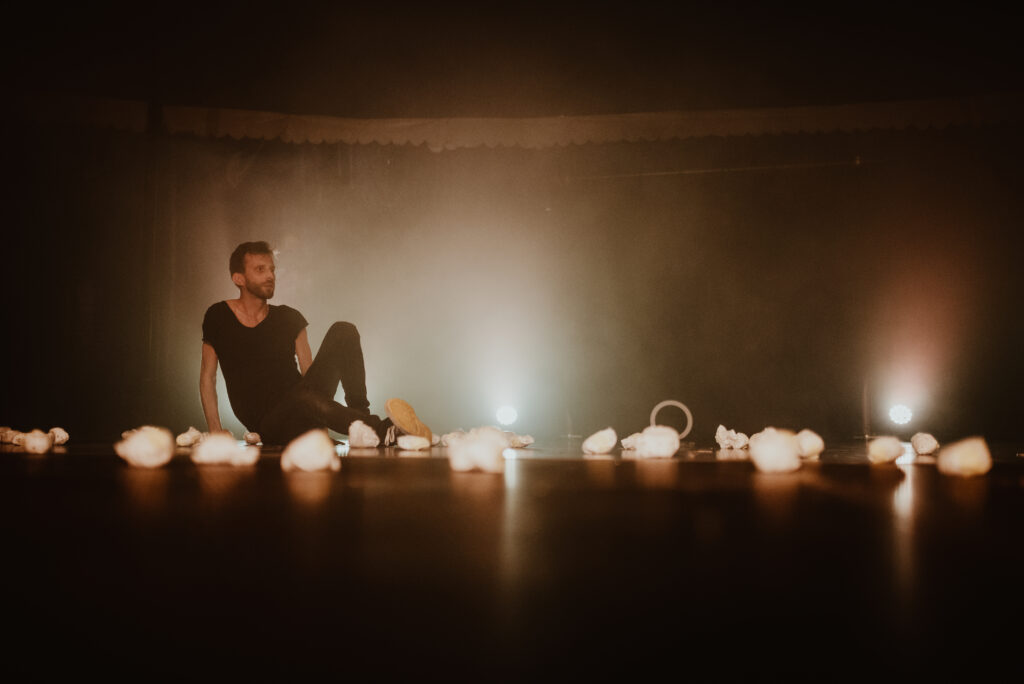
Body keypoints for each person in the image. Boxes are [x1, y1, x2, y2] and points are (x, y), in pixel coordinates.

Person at [199, 241, 431, 446]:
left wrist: (321, 425)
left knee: (344, 330)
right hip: (268, 423)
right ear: (238, 278)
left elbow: (309, 375)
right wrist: (215, 431)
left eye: (272, 269)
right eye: (260, 269)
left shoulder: (289, 317)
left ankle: (359, 419)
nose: (270, 276)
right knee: (302, 397)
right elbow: (208, 378)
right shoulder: (218, 316)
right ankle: (381, 430)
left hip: (302, 406)